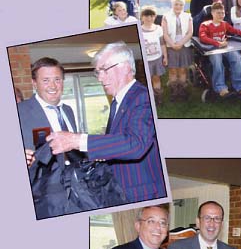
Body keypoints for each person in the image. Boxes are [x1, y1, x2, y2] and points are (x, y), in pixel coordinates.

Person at [46, 41, 166, 204]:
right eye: (98, 72)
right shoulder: (119, 102)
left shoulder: (142, 97)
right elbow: (122, 143)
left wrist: (76, 140)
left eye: (104, 70)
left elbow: (136, 144)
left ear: (124, 67)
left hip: (142, 194)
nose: (100, 78)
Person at [17, 57, 79, 167]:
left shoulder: (68, 110)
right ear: (34, 83)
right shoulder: (19, 112)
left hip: (76, 178)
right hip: (42, 182)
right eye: (46, 80)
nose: (53, 86)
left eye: (57, 79)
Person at [199, 1, 241, 97]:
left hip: (225, 48)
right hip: (212, 49)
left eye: (222, 13)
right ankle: (220, 87)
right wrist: (217, 43)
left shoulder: (224, 24)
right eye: (218, 13)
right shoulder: (205, 25)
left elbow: (236, 31)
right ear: (212, 13)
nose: (221, 15)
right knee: (217, 60)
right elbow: (203, 37)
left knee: (237, 57)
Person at [162, 0, 193, 102]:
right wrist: (172, 44)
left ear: (183, 6)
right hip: (171, 46)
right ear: (172, 5)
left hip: (184, 45)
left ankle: (182, 91)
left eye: (180, 4)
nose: (178, 6)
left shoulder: (188, 16)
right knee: (173, 70)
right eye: (176, 4)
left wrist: (180, 43)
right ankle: (174, 92)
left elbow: (190, 33)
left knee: (183, 70)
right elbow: (165, 34)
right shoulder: (166, 16)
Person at [141, 5, 167, 105]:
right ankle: (147, 99)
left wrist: (165, 56)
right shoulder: (139, 29)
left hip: (156, 58)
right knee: (145, 79)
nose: (149, 18)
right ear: (142, 17)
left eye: (151, 16)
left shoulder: (158, 29)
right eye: (146, 16)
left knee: (156, 78)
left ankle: (158, 97)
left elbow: (162, 43)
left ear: (155, 17)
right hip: (146, 60)